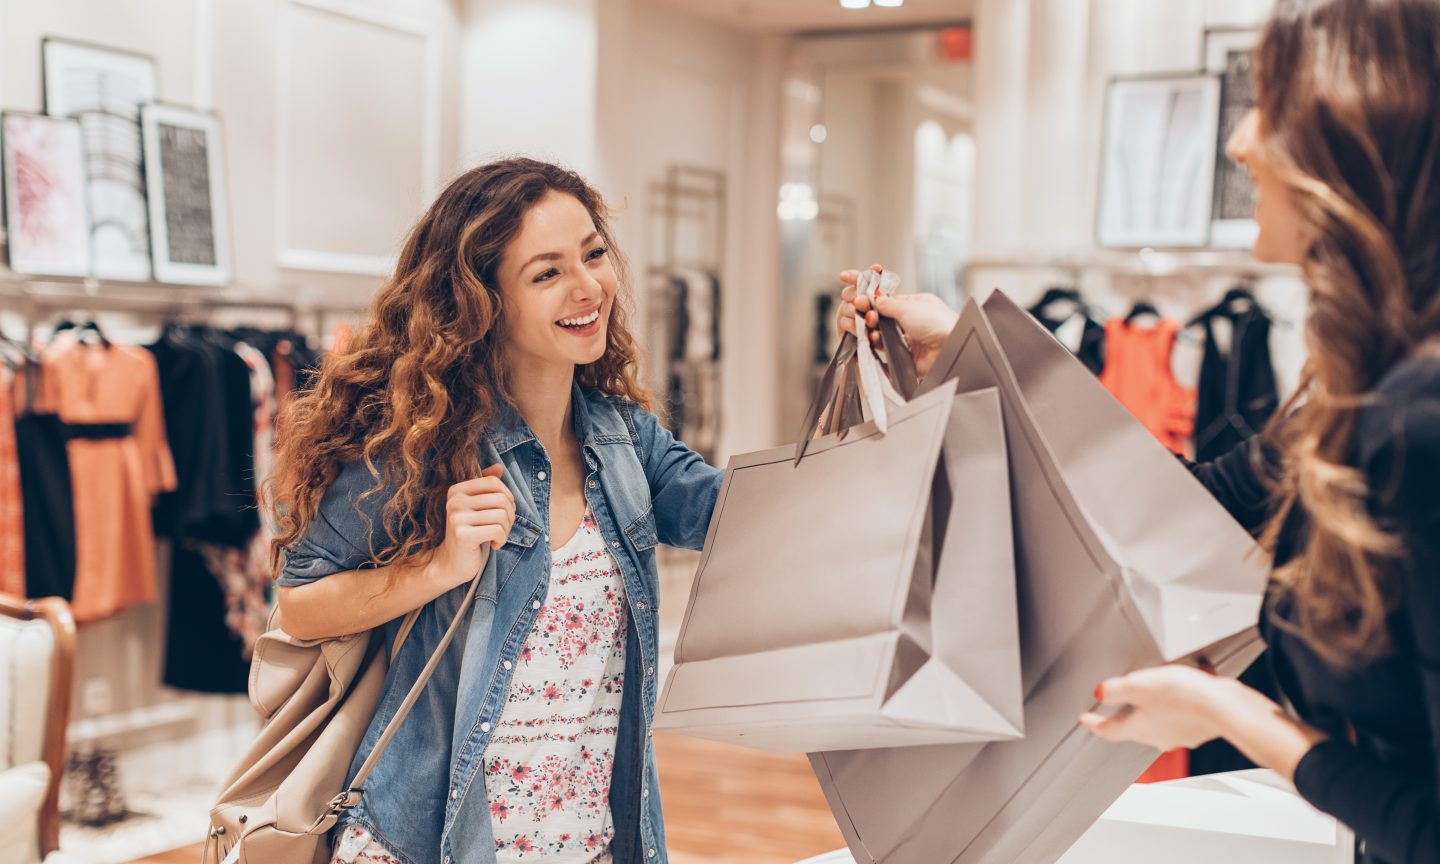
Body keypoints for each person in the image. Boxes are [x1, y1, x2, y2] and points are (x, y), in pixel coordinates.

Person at [839, 1, 1440, 861]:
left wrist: (1227, 713)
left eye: (1267, 106)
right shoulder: (1350, 400)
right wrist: (964, 353)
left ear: (1353, 138)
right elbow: (1170, 504)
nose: (1238, 144)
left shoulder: (1419, 422)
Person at [270, 158, 722, 864]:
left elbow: (748, 520)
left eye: (593, 254)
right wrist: (440, 566)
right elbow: (299, 606)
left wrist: (874, 376)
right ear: (482, 303)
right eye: (547, 274)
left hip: (588, 842)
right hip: (431, 843)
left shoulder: (625, 441)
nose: (587, 287)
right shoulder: (418, 446)